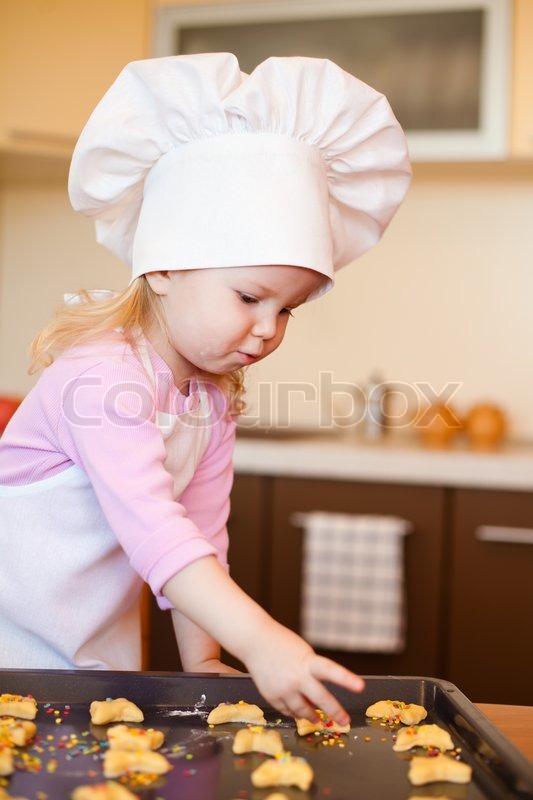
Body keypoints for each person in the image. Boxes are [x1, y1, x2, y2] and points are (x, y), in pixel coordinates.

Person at [0, 53, 411, 724]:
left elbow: (199, 536)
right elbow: (157, 533)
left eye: (286, 308)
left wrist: (205, 665)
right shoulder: (100, 377)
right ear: (163, 268)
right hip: (11, 653)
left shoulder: (209, 400)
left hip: (87, 661)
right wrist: (262, 642)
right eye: (249, 296)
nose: (268, 328)